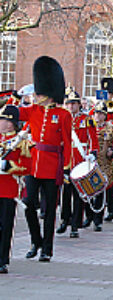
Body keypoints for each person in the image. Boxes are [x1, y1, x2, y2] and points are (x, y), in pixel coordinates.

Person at [19, 56, 72, 262]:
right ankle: (36, 240)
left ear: (48, 94)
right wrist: (13, 97)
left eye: (40, 92)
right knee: (28, 202)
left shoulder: (63, 114)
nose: (37, 94)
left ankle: (47, 249)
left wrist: (66, 167)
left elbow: (66, 143)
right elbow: (12, 113)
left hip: (52, 167)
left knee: (50, 210)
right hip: (32, 165)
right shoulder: (33, 110)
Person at [56, 89, 98, 238]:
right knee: (65, 194)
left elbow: (93, 139)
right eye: (69, 104)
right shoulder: (62, 119)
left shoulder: (87, 120)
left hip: (80, 161)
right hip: (67, 161)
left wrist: (93, 153)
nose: (71, 106)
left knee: (79, 195)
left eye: (74, 104)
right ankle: (64, 220)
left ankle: (75, 225)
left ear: (79, 105)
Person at [0, 105, 31, 273]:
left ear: (11, 123)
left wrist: (9, 166)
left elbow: (27, 167)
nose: (1, 123)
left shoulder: (21, 142)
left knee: (5, 226)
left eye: (4, 120)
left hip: (8, 188)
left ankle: (2, 260)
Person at [84, 101, 113, 228]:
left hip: (104, 162)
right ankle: (88, 216)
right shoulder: (88, 126)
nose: (97, 116)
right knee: (87, 190)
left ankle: (98, 220)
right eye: (96, 113)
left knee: (100, 191)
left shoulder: (112, 129)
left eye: (100, 114)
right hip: (89, 161)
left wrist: (112, 151)